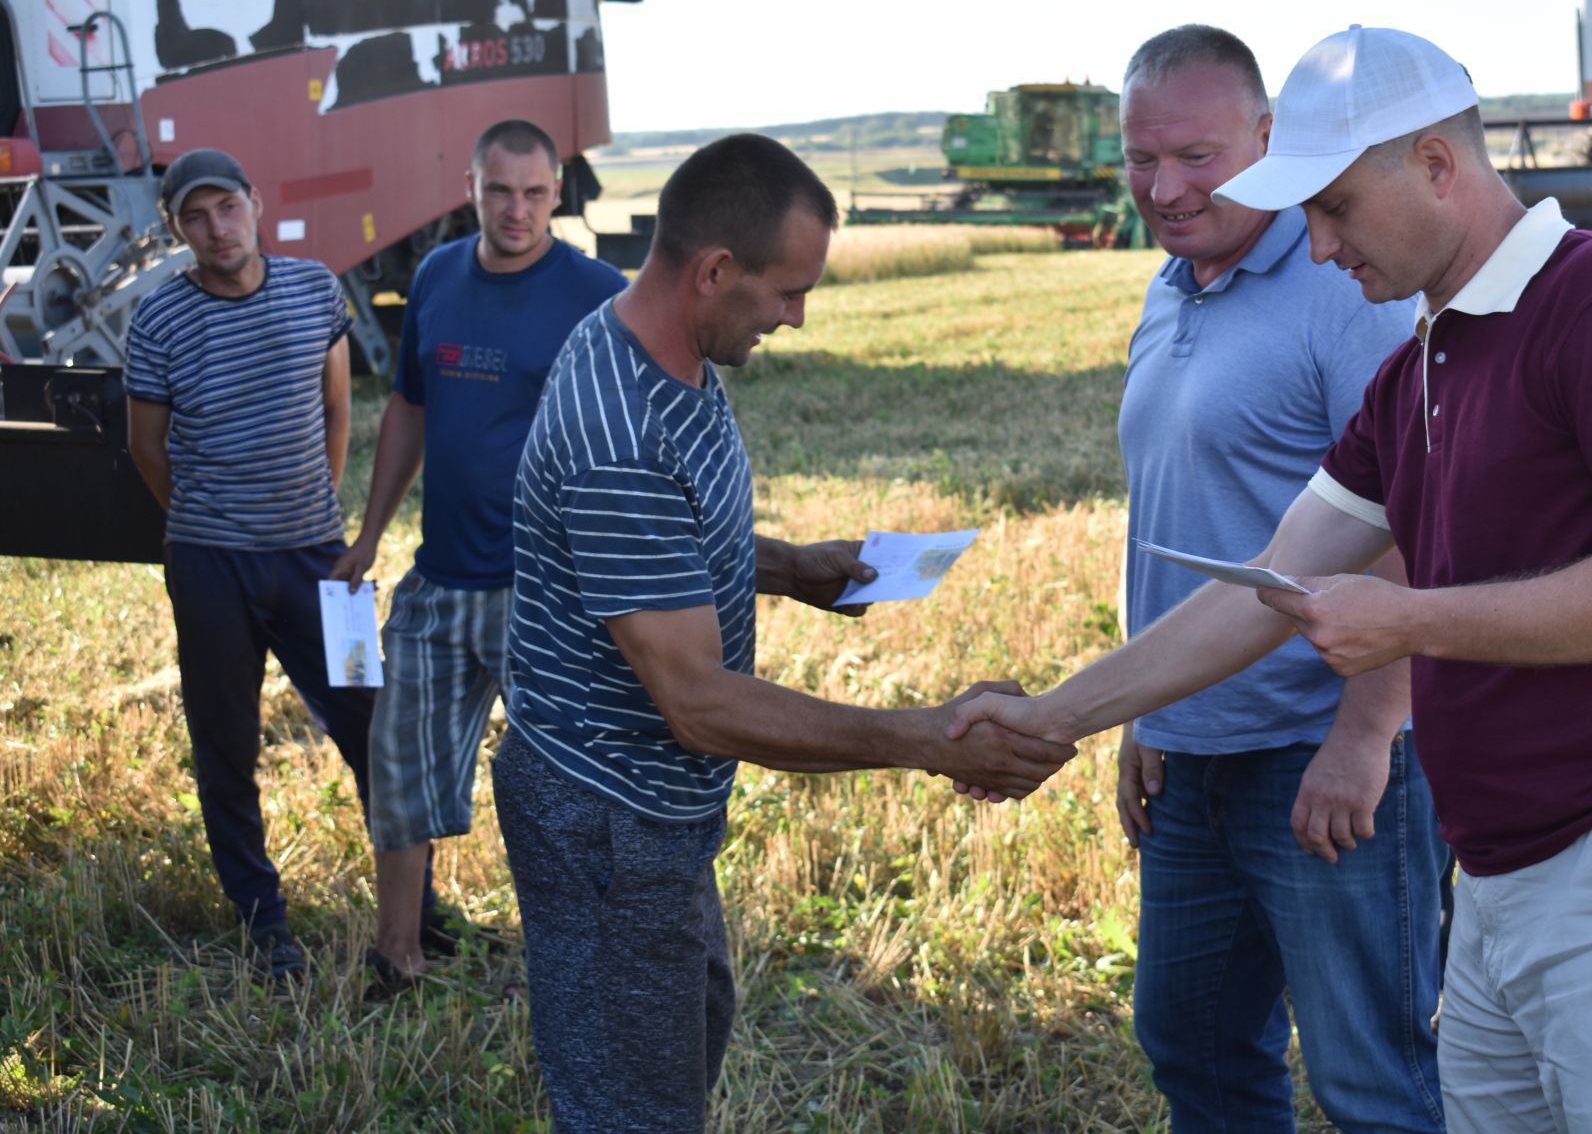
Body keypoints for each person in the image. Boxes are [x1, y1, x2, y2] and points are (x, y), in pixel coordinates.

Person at [952, 25, 1592, 1134]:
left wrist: (1408, 623)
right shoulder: (1423, 359)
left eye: (1335, 208)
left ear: (1436, 164)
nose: (1321, 248)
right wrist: (1056, 716)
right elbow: (1265, 584)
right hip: (1495, 873)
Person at [494, 132, 1077, 1133]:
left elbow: (659, 543)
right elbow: (697, 701)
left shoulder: (652, 349)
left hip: (646, 815)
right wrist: (922, 737)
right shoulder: (620, 431)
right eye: (788, 291)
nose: (797, 317)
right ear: (715, 271)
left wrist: (792, 566)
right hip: (605, 817)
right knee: (634, 1109)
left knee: (681, 1041)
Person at [1110, 24, 1445, 1132]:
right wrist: (1145, 711)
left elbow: (1408, 514)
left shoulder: (1343, 287)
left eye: (1197, 157)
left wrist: (1365, 734)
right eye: (1140, 159)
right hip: (1190, 761)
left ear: (1268, 136)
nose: (1165, 187)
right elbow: (1171, 516)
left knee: (1374, 1081)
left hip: (1318, 757)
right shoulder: (1169, 291)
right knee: (1194, 1051)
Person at [328, 119, 625, 993]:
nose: (518, 210)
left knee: (563, 788)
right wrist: (372, 531)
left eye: (535, 193)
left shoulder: (599, 294)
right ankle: (397, 957)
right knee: (398, 766)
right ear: (471, 188)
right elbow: (410, 410)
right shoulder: (436, 277)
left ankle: (582, 965)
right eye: (500, 191)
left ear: (558, 193)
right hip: (443, 576)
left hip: (548, 593)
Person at [124, 148, 372, 981]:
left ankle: (415, 905)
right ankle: (264, 920)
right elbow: (145, 446)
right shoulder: (158, 319)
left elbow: (338, 406)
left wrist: (316, 517)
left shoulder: (313, 289)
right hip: (210, 568)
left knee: (378, 722)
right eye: (194, 217)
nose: (215, 228)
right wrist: (206, 525)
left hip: (322, 560)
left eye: (226, 207)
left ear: (255, 204)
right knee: (224, 743)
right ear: (174, 230)